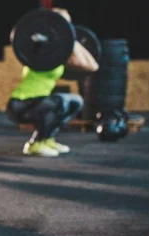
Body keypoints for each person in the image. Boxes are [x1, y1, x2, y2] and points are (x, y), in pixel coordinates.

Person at [5, 8, 99, 157]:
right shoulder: (38, 48)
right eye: (63, 23)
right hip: (21, 104)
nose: (67, 27)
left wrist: (70, 38)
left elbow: (92, 66)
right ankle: (35, 144)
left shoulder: (58, 55)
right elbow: (24, 38)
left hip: (39, 103)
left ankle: (48, 138)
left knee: (75, 101)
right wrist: (64, 37)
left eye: (68, 24)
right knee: (59, 102)